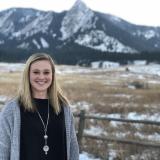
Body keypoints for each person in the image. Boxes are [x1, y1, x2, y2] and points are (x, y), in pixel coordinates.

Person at [0, 53, 79, 160]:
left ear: (53, 75)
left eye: (46, 72)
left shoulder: (64, 108)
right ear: (28, 75)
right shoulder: (11, 110)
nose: (41, 77)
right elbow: (3, 151)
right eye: (36, 72)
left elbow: (73, 147)